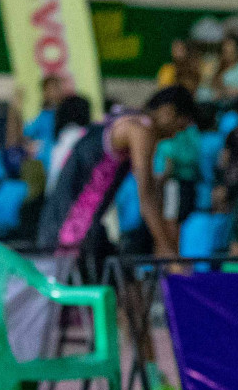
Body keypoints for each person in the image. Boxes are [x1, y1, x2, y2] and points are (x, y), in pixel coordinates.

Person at [37, 86, 196, 275]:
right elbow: (147, 197)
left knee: (125, 288)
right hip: (71, 232)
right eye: (179, 127)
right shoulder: (140, 130)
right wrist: (170, 254)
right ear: (168, 112)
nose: (175, 135)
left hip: (68, 223)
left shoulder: (123, 117)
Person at [210, 31, 238, 102]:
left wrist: (227, 91)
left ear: (237, 49)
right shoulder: (220, 66)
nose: (227, 52)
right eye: (225, 50)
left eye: (231, 48)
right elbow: (214, 89)